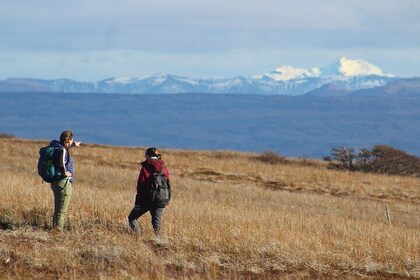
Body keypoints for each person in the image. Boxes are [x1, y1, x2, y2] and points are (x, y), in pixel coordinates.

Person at [128, 147, 170, 237]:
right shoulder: (164, 168)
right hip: (161, 199)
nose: (145, 157)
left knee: (132, 217)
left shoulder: (146, 167)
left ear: (148, 156)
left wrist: (138, 201)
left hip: (148, 199)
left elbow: (141, 185)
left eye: (146, 155)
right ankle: (160, 241)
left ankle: (136, 239)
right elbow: (167, 183)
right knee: (156, 223)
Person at [50, 130, 81, 232]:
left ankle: (54, 229)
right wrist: (66, 174)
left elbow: (64, 149)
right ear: (69, 140)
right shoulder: (62, 150)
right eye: (71, 140)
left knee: (58, 208)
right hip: (63, 182)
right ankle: (58, 232)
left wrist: (74, 145)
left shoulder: (56, 146)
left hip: (55, 182)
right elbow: (61, 163)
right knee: (62, 211)